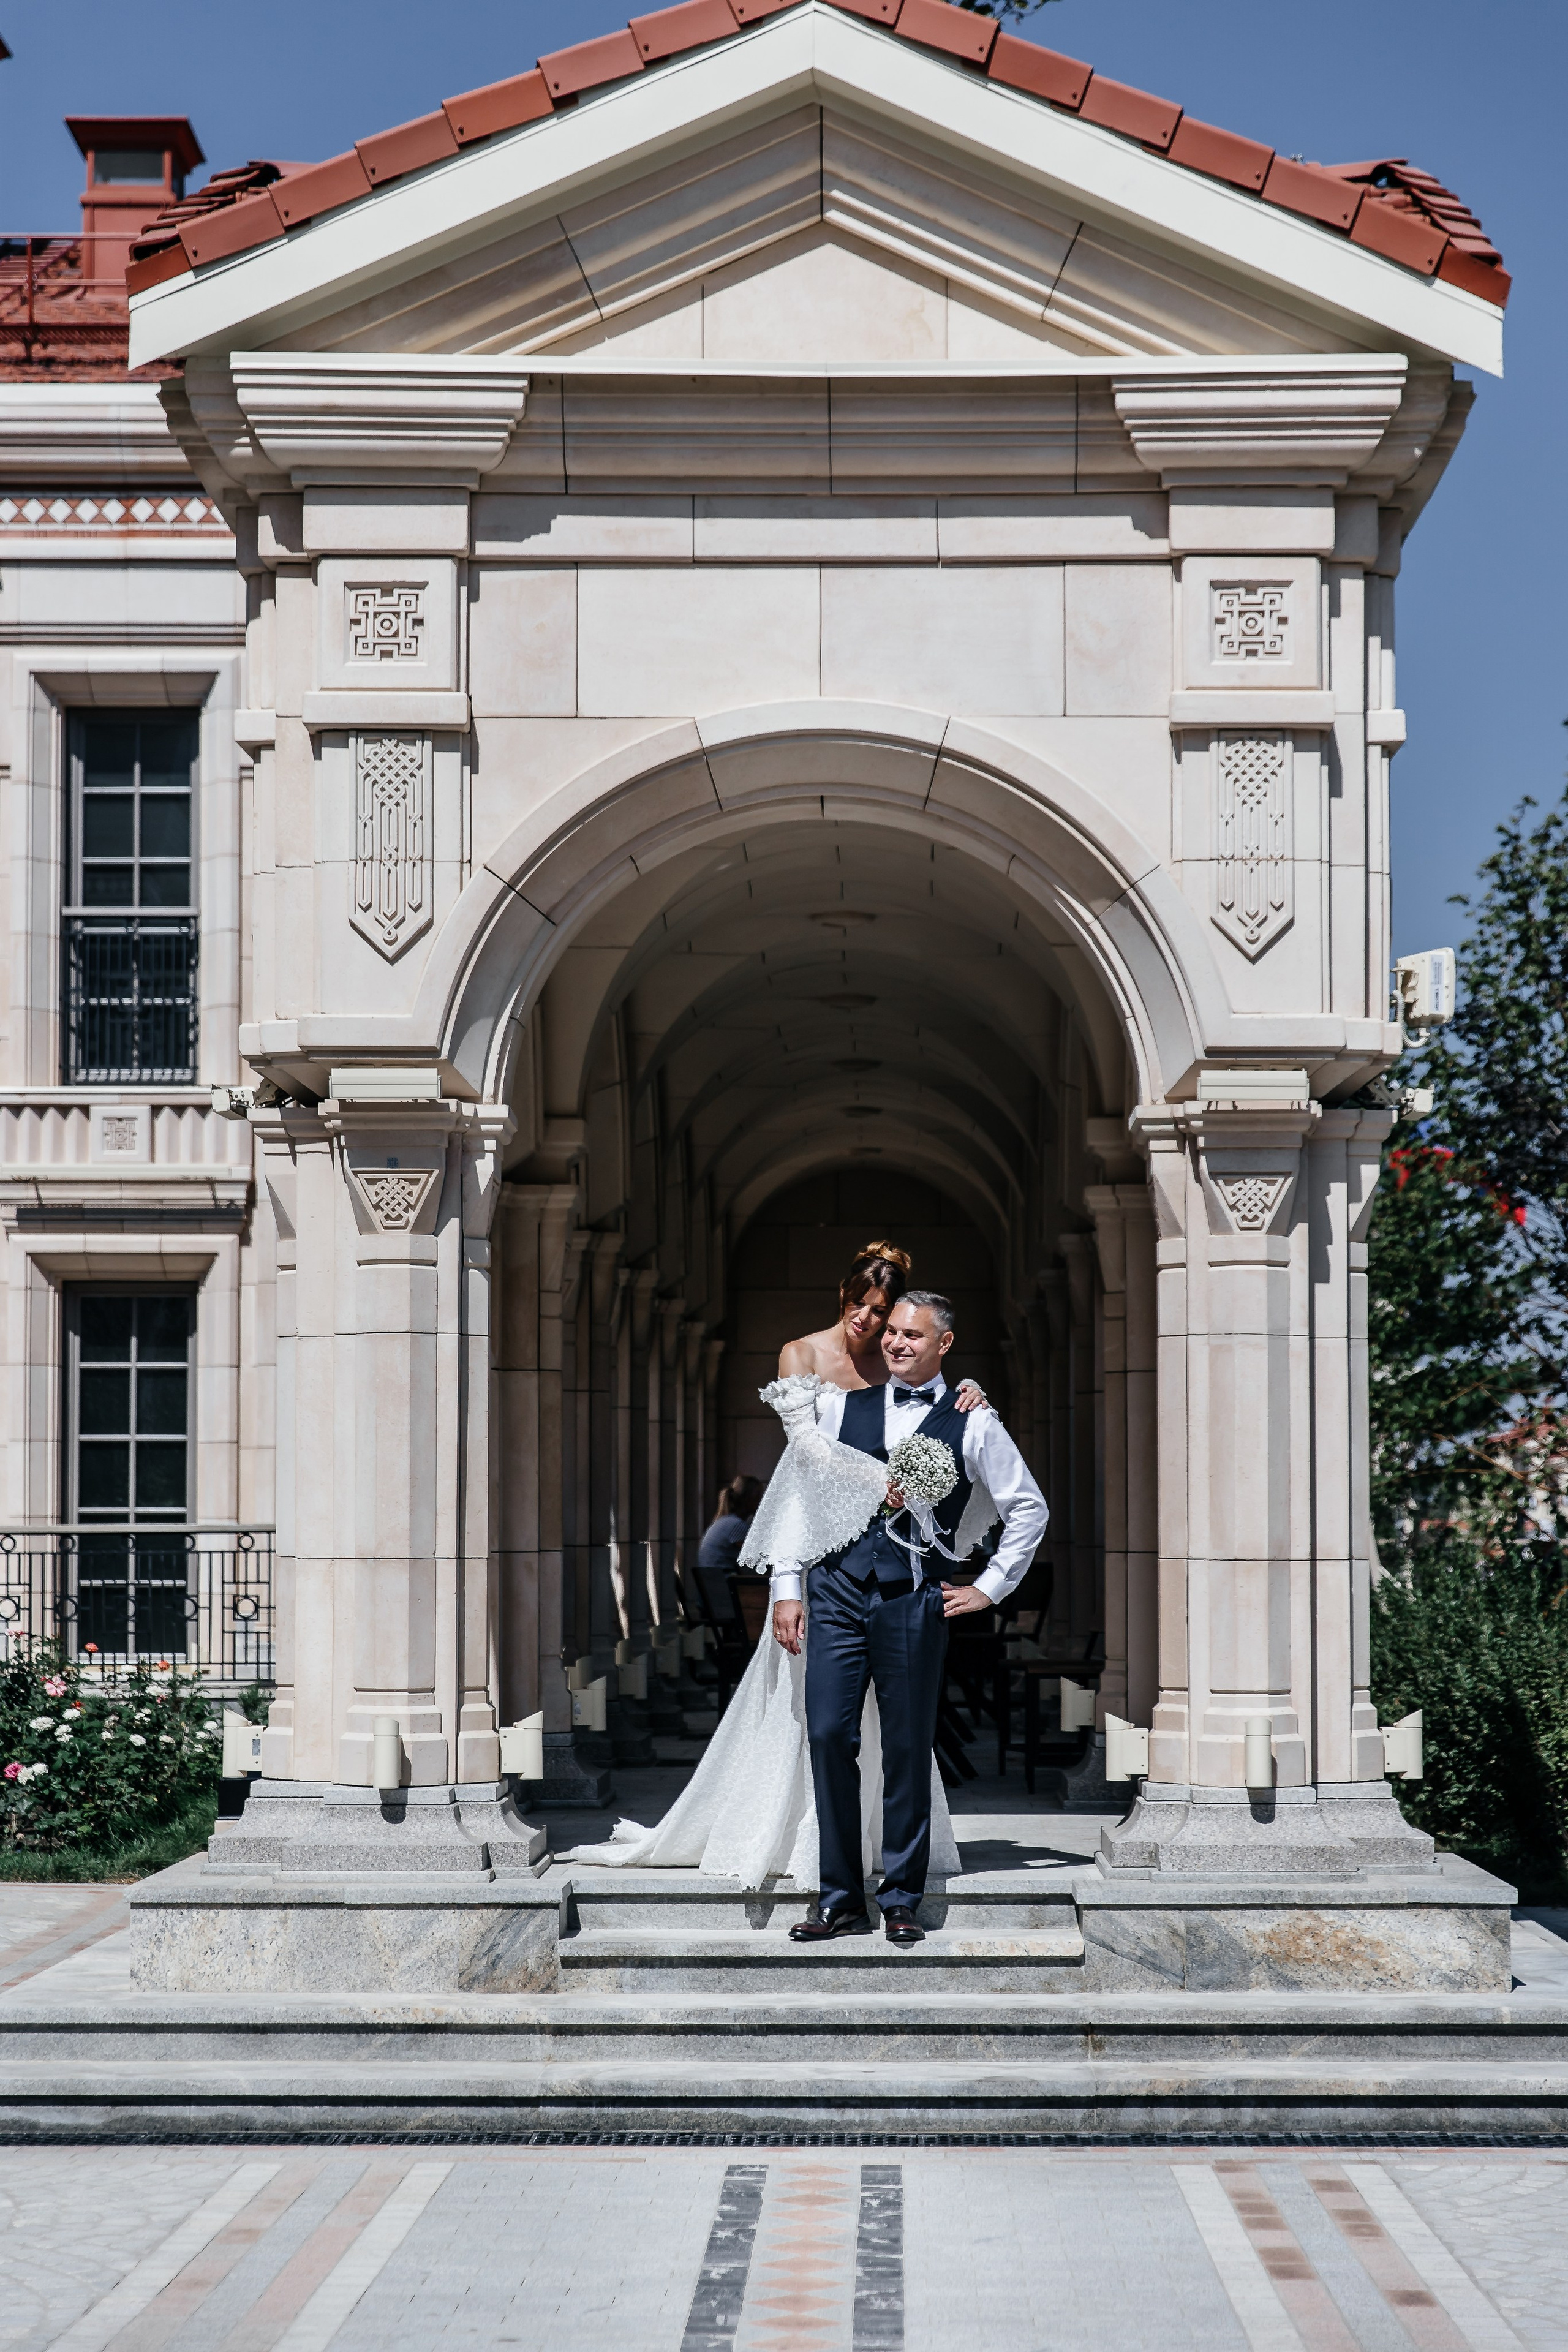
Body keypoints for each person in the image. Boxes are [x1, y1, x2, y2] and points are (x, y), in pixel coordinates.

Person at [560, 1243, 990, 1883]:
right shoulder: (801, 1354)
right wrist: (801, 1571)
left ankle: (877, 1847)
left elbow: (931, 1411)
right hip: (820, 1552)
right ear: (842, 1295)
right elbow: (807, 1460)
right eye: (859, 1305)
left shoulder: (897, 1359)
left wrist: (967, 1395)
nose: (868, 1322)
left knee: (886, 1725)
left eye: (881, 1311)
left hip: (895, 1560)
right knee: (809, 1713)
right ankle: (794, 1838)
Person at [775, 1290, 1049, 1950]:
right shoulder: (841, 1408)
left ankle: (901, 1899)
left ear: (944, 1345)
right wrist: (788, 1586)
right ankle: (838, 1900)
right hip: (836, 1590)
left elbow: (1028, 1509)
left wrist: (987, 1587)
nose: (896, 1343)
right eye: (891, 1332)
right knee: (827, 1737)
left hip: (913, 1596)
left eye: (912, 1335)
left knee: (903, 1749)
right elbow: (799, 1498)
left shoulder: (973, 1421)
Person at [694, 1474, 763, 1627]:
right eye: (759, 1496)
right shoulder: (736, 1526)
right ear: (748, 1499)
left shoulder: (724, 1522)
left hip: (709, 1598)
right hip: (721, 1600)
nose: (762, 1502)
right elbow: (758, 1560)